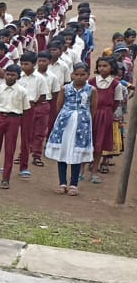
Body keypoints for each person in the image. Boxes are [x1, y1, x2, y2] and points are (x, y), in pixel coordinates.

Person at [45, 63, 97, 196]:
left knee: (76, 154)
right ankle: (62, 183)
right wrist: (65, 117)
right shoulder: (65, 88)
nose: (79, 77)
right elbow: (59, 105)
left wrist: (84, 119)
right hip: (65, 123)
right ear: (72, 75)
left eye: (83, 75)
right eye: (77, 74)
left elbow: (93, 109)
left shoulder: (92, 90)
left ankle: (74, 184)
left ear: (87, 75)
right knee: (62, 152)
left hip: (82, 125)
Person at [0, 66, 31, 189]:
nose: (9, 77)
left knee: (10, 149)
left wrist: (20, 123)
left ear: (18, 77)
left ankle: (5, 179)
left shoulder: (22, 91)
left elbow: (25, 110)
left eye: (13, 75)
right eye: (8, 74)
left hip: (14, 118)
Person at [89, 57, 123, 183]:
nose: (102, 68)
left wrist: (106, 113)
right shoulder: (91, 82)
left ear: (112, 68)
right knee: (88, 141)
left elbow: (115, 103)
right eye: (100, 66)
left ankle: (94, 172)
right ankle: (81, 170)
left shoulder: (116, 85)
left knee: (99, 143)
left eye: (105, 66)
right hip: (91, 113)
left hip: (105, 115)